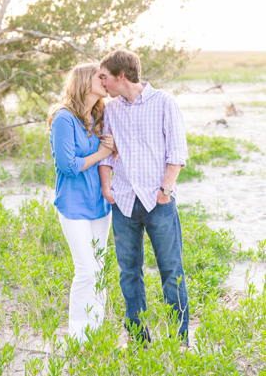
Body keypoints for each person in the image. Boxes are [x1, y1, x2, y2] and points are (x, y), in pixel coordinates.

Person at [98, 49, 189, 345]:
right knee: (128, 272)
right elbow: (108, 156)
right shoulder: (111, 109)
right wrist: (107, 188)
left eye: (105, 77)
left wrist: (165, 191)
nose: (103, 83)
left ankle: (179, 341)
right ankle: (139, 340)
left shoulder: (164, 102)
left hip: (158, 201)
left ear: (121, 76)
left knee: (171, 270)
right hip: (123, 202)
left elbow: (177, 152)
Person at [48, 63, 115, 343]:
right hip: (74, 204)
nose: (106, 80)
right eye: (101, 76)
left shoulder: (100, 115)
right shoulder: (64, 118)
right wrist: (102, 152)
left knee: (98, 268)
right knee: (86, 269)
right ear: (85, 82)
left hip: (100, 204)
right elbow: (68, 166)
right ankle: (78, 335)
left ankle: (95, 329)